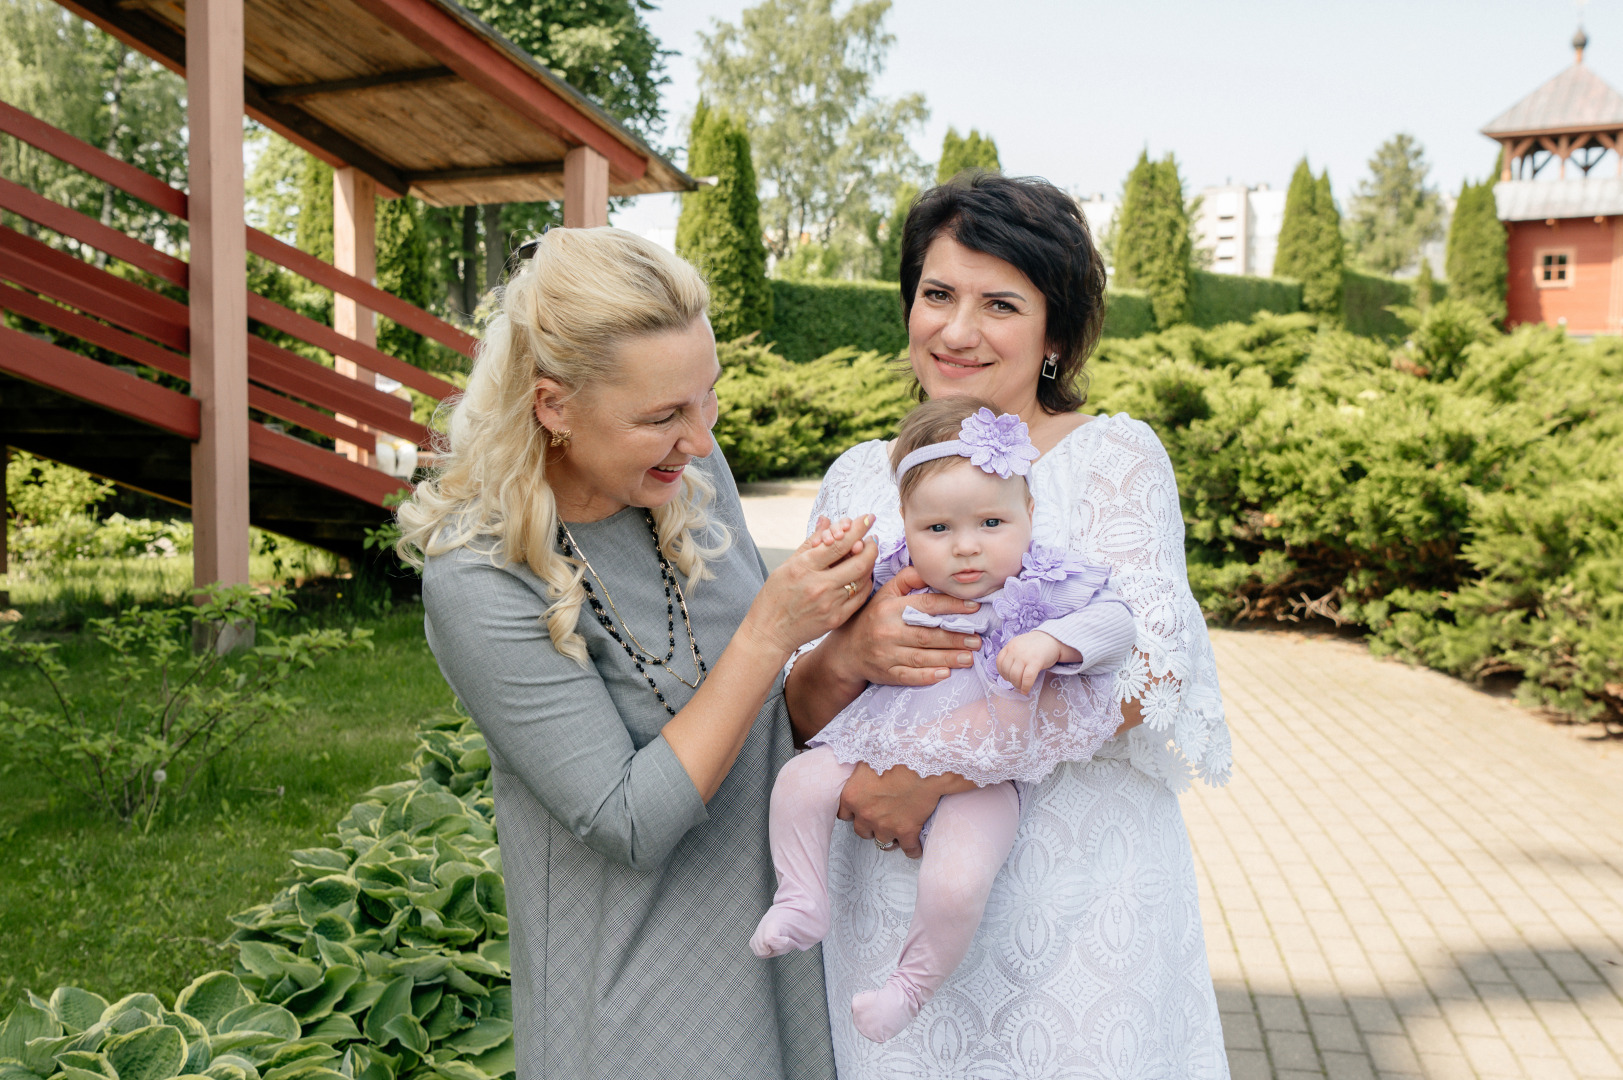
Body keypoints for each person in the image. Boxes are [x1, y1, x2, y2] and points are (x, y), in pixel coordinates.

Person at [782, 173, 1233, 1077]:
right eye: (936, 294)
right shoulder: (857, 478)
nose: (955, 330)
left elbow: (1149, 673)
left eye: (999, 304)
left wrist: (930, 779)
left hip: (1072, 905)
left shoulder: (1112, 458)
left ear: (1055, 333)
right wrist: (850, 654)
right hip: (886, 896)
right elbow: (794, 705)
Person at [397, 227, 871, 1080]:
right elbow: (627, 822)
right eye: (661, 416)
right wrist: (771, 629)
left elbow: (765, 717)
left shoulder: (684, 471)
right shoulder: (478, 574)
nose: (700, 440)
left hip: (786, 954)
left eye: (707, 398)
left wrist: (856, 640)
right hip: (641, 1006)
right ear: (552, 406)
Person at [753, 396, 1137, 1044]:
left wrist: (1053, 643)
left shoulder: (1044, 581)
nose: (966, 548)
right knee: (798, 783)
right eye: (938, 529)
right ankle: (800, 897)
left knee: (957, 883)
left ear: (1029, 516)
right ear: (907, 524)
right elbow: (821, 613)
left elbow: (1118, 624)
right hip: (883, 735)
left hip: (981, 772)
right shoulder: (890, 574)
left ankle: (909, 987)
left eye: (991, 522)